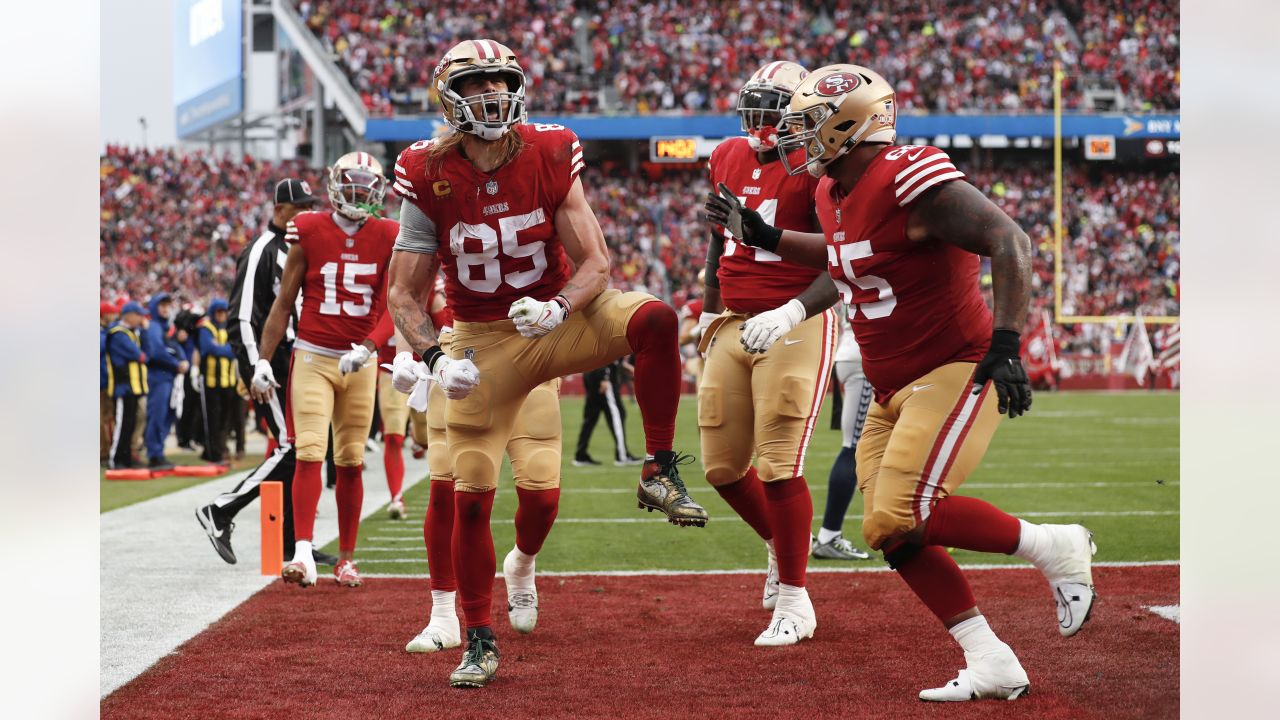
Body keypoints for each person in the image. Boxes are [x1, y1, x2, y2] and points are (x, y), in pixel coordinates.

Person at [705, 64, 1097, 701]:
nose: (795, 137)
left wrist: (1006, 344)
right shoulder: (835, 192)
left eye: (807, 124)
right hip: (890, 386)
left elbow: (1009, 238)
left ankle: (1054, 545)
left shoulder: (906, 174)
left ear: (849, 125)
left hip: (952, 368)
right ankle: (989, 659)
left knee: (899, 511)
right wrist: (769, 236)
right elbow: (845, 259)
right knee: (890, 533)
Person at [387, 39, 706, 688]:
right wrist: (431, 356)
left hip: (557, 319)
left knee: (654, 320)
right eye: (476, 85)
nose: (491, 95)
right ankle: (477, 638)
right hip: (482, 340)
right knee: (470, 500)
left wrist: (561, 306)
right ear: (451, 96)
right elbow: (402, 291)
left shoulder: (550, 149)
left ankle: (658, 469)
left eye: (500, 82)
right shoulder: (424, 169)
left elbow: (597, 263)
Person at [697, 60, 842, 647]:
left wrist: (790, 313)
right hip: (732, 318)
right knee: (723, 467)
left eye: (774, 108)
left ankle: (795, 598)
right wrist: (707, 307)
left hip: (796, 315)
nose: (761, 120)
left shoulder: (822, 167)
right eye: (755, 105)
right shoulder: (727, 155)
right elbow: (718, 238)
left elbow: (845, 259)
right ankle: (779, 544)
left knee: (779, 459)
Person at [251, 152, 399, 589]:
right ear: (334, 185)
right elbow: (283, 303)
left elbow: (393, 305)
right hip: (313, 355)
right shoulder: (309, 228)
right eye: (349, 184)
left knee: (351, 459)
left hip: (360, 360)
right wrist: (263, 357)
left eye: (364, 185)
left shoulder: (390, 234)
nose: (356, 192)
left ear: (378, 190)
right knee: (310, 449)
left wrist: (370, 346)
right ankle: (302, 552)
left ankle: (347, 558)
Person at [400, 275, 562, 656]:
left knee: (543, 498)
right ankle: (443, 615)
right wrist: (405, 353)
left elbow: (585, 271)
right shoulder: (431, 215)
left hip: (528, 350)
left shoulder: (542, 214)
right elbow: (404, 290)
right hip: (455, 352)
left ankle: (522, 562)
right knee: (448, 490)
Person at [195, 179, 338, 568]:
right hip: (268, 360)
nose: (308, 213)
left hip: (289, 356)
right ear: (280, 210)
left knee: (299, 447)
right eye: (301, 207)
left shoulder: (294, 247)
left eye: (311, 206)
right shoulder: (261, 248)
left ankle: (291, 544)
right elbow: (241, 314)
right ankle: (220, 510)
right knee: (293, 448)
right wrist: (253, 363)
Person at [812, 313, 872, 561]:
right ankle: (829, 535)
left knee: (873, 446)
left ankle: (905, 526)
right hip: (866, 354)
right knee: (853, 448)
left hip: (855, 350)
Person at [142, 293, 189, 470]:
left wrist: (182, 360)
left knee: (166, 416)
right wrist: (177, 363)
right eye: (162, 304)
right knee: (158, 416)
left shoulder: (164, 328)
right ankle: (154, 454)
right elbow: (156, 351)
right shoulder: (154, 327)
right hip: (159, 378)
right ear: (155, 306)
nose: (165, 308)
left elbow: (174, 348)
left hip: (168, 378)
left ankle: (158, 452)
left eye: (167, 305)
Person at [573, 359, 640, 466]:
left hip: (591, 373)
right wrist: (604, 376)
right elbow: (603, 350)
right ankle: (622, 456)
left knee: (590, 418)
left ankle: (580, 455)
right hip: (603, 376)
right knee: (617, 415)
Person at [107, 301, 149, 469]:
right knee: (123, 426)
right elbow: (139, 355)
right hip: (124, 386)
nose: (142, 318)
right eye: (139, 315)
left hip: (134, 386)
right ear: (129, 315)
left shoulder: (131, 333)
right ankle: (115, 459)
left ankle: (126, 459)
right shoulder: (119, 334)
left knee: (130, 424)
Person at [197, 298, 238, 464]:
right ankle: (214, 453)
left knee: (224, 420)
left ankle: (219, 449)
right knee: (212, 419)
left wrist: (222, 349)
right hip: (211, 382)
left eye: (223, 312)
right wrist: (226, 349)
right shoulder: (206, 328)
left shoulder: (229, 327)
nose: (221, 315)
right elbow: (208, 348)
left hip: (227, 381)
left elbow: (235, 348)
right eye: (218, 312)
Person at [101, 301, 120, 465]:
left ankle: (107, 450)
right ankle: (104, 453)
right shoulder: (102, 334)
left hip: (108, 381)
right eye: (111, 313)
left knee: (108, 417)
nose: (114, 316)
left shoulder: (107, 332)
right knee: (103, 418)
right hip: (101, 382)